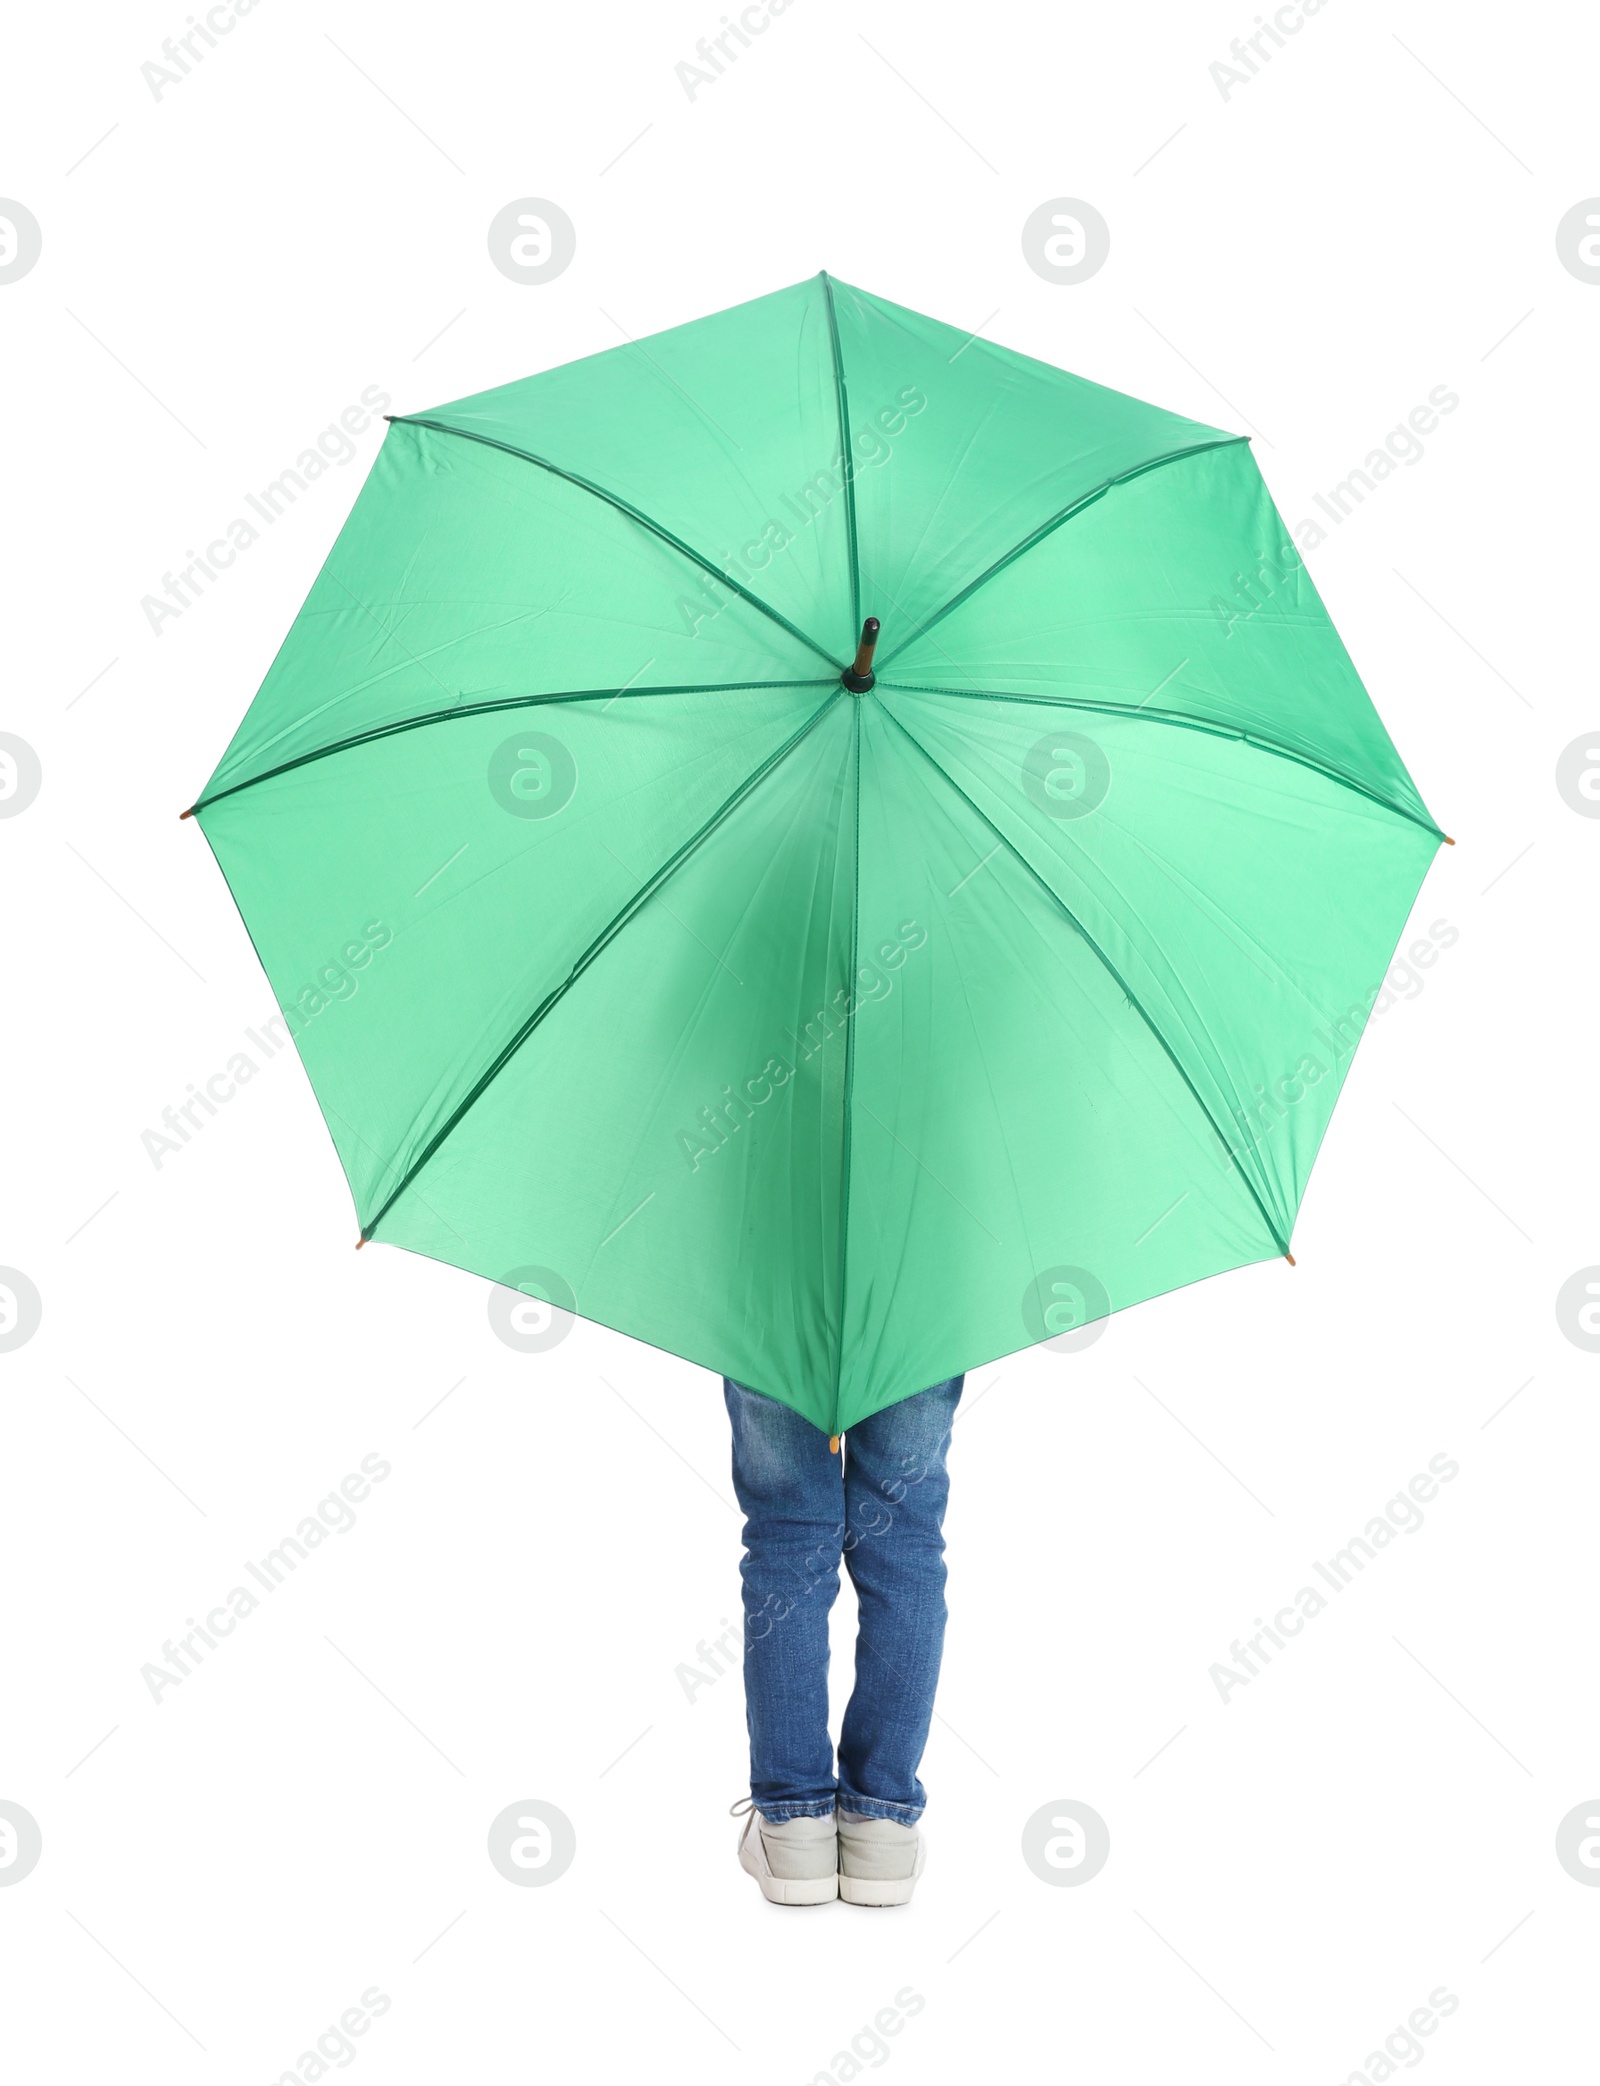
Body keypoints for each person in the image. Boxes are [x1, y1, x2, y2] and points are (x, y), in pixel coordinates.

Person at [723, 1374, 963, 1907]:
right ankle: (882, 1823)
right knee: (905, 1544)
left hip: (777, 1305)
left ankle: (793, 1828)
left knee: (789, 1538)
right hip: (915, 1308)